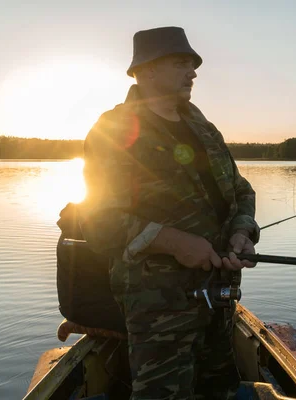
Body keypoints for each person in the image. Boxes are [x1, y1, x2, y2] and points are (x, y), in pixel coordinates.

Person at [77, 26, 260, 399]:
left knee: (219, 390)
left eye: (193, 65)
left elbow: (241, 192)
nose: (192, 72)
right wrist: (174, 242)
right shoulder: (113, 130)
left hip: (218, 295)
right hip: (159, 303)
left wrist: (242, 232)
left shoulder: (203, 127)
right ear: (146, 71)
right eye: (181, 63)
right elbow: (98, 219)